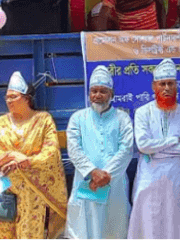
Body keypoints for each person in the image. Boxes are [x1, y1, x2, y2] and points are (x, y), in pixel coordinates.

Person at [0, 71, 68, 239]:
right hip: (2, 189)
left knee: (29, 234)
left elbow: (51, 151)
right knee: (2, 234)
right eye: (7, 97)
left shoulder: (43, 120)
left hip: (32, 190)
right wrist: (13, 155)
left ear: (27, 98)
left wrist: (29, 160)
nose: (9, 101)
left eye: (13, 97)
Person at [127, 58, 180, 239]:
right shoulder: (143, 113)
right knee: (150, 223)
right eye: (162, 84)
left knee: (178, 224)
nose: (166, 88)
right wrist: (173, 140)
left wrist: (154, 150)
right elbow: (142, 145)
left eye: (170, 83)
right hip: (149, 178)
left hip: (177, 178)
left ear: (176, 86)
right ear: (154, 86)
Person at [65, 65, 133, 239]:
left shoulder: (122, 118)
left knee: (115, 227)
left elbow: (126, 150)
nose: (97, 95)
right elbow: (74, 149)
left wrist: (107, 174)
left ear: (111, 94)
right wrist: (93, 172)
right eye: (94, 91)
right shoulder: (78, 118)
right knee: (85, 227)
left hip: (114, 182)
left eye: (103, 91)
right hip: (87, 181)